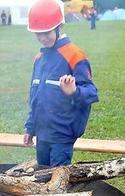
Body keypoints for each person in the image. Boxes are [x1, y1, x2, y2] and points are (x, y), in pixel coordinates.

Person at [23, 0, 99, 167]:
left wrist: (74, 92)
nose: (42, 38)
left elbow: (92, 92)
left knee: (57, 180)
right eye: (38, 34)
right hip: (42, 134)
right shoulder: (40, 58)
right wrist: (30, 128)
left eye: (46, 33)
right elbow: (35, 97)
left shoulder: (75, 55)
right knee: (41, 176)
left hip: (62, 135)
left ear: (59, 27)